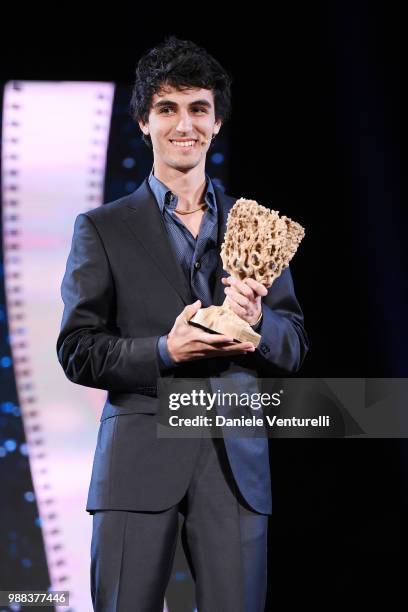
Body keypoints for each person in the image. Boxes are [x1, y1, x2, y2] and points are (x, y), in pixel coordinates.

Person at [57, 36, 308, 612]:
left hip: (234, 467)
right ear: (144, 121)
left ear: (217, 122)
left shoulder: (255, 225)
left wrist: (257, 320)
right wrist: (165, 350)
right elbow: (78, 350)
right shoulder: (101, 228)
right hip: (137, 461)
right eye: (167, 108)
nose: (184, 124)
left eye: (198, 108)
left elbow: (292, 346)